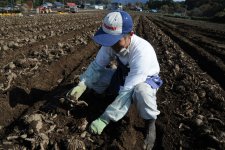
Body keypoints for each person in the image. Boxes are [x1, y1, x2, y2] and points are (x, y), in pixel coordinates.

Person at [67, 11, 162, 150]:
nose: (111, 45)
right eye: (108, 40)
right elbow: (96, 66)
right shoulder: (111, 44)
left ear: (130, 34)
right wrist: (83, 84)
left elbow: (127, 91)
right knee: (96, 78)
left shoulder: (142, 52)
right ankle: (101, 95)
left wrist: (105, 118)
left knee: (141, 92)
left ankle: (150, 122)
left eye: (114, 40)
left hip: (145, 79)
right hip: (123, 74)